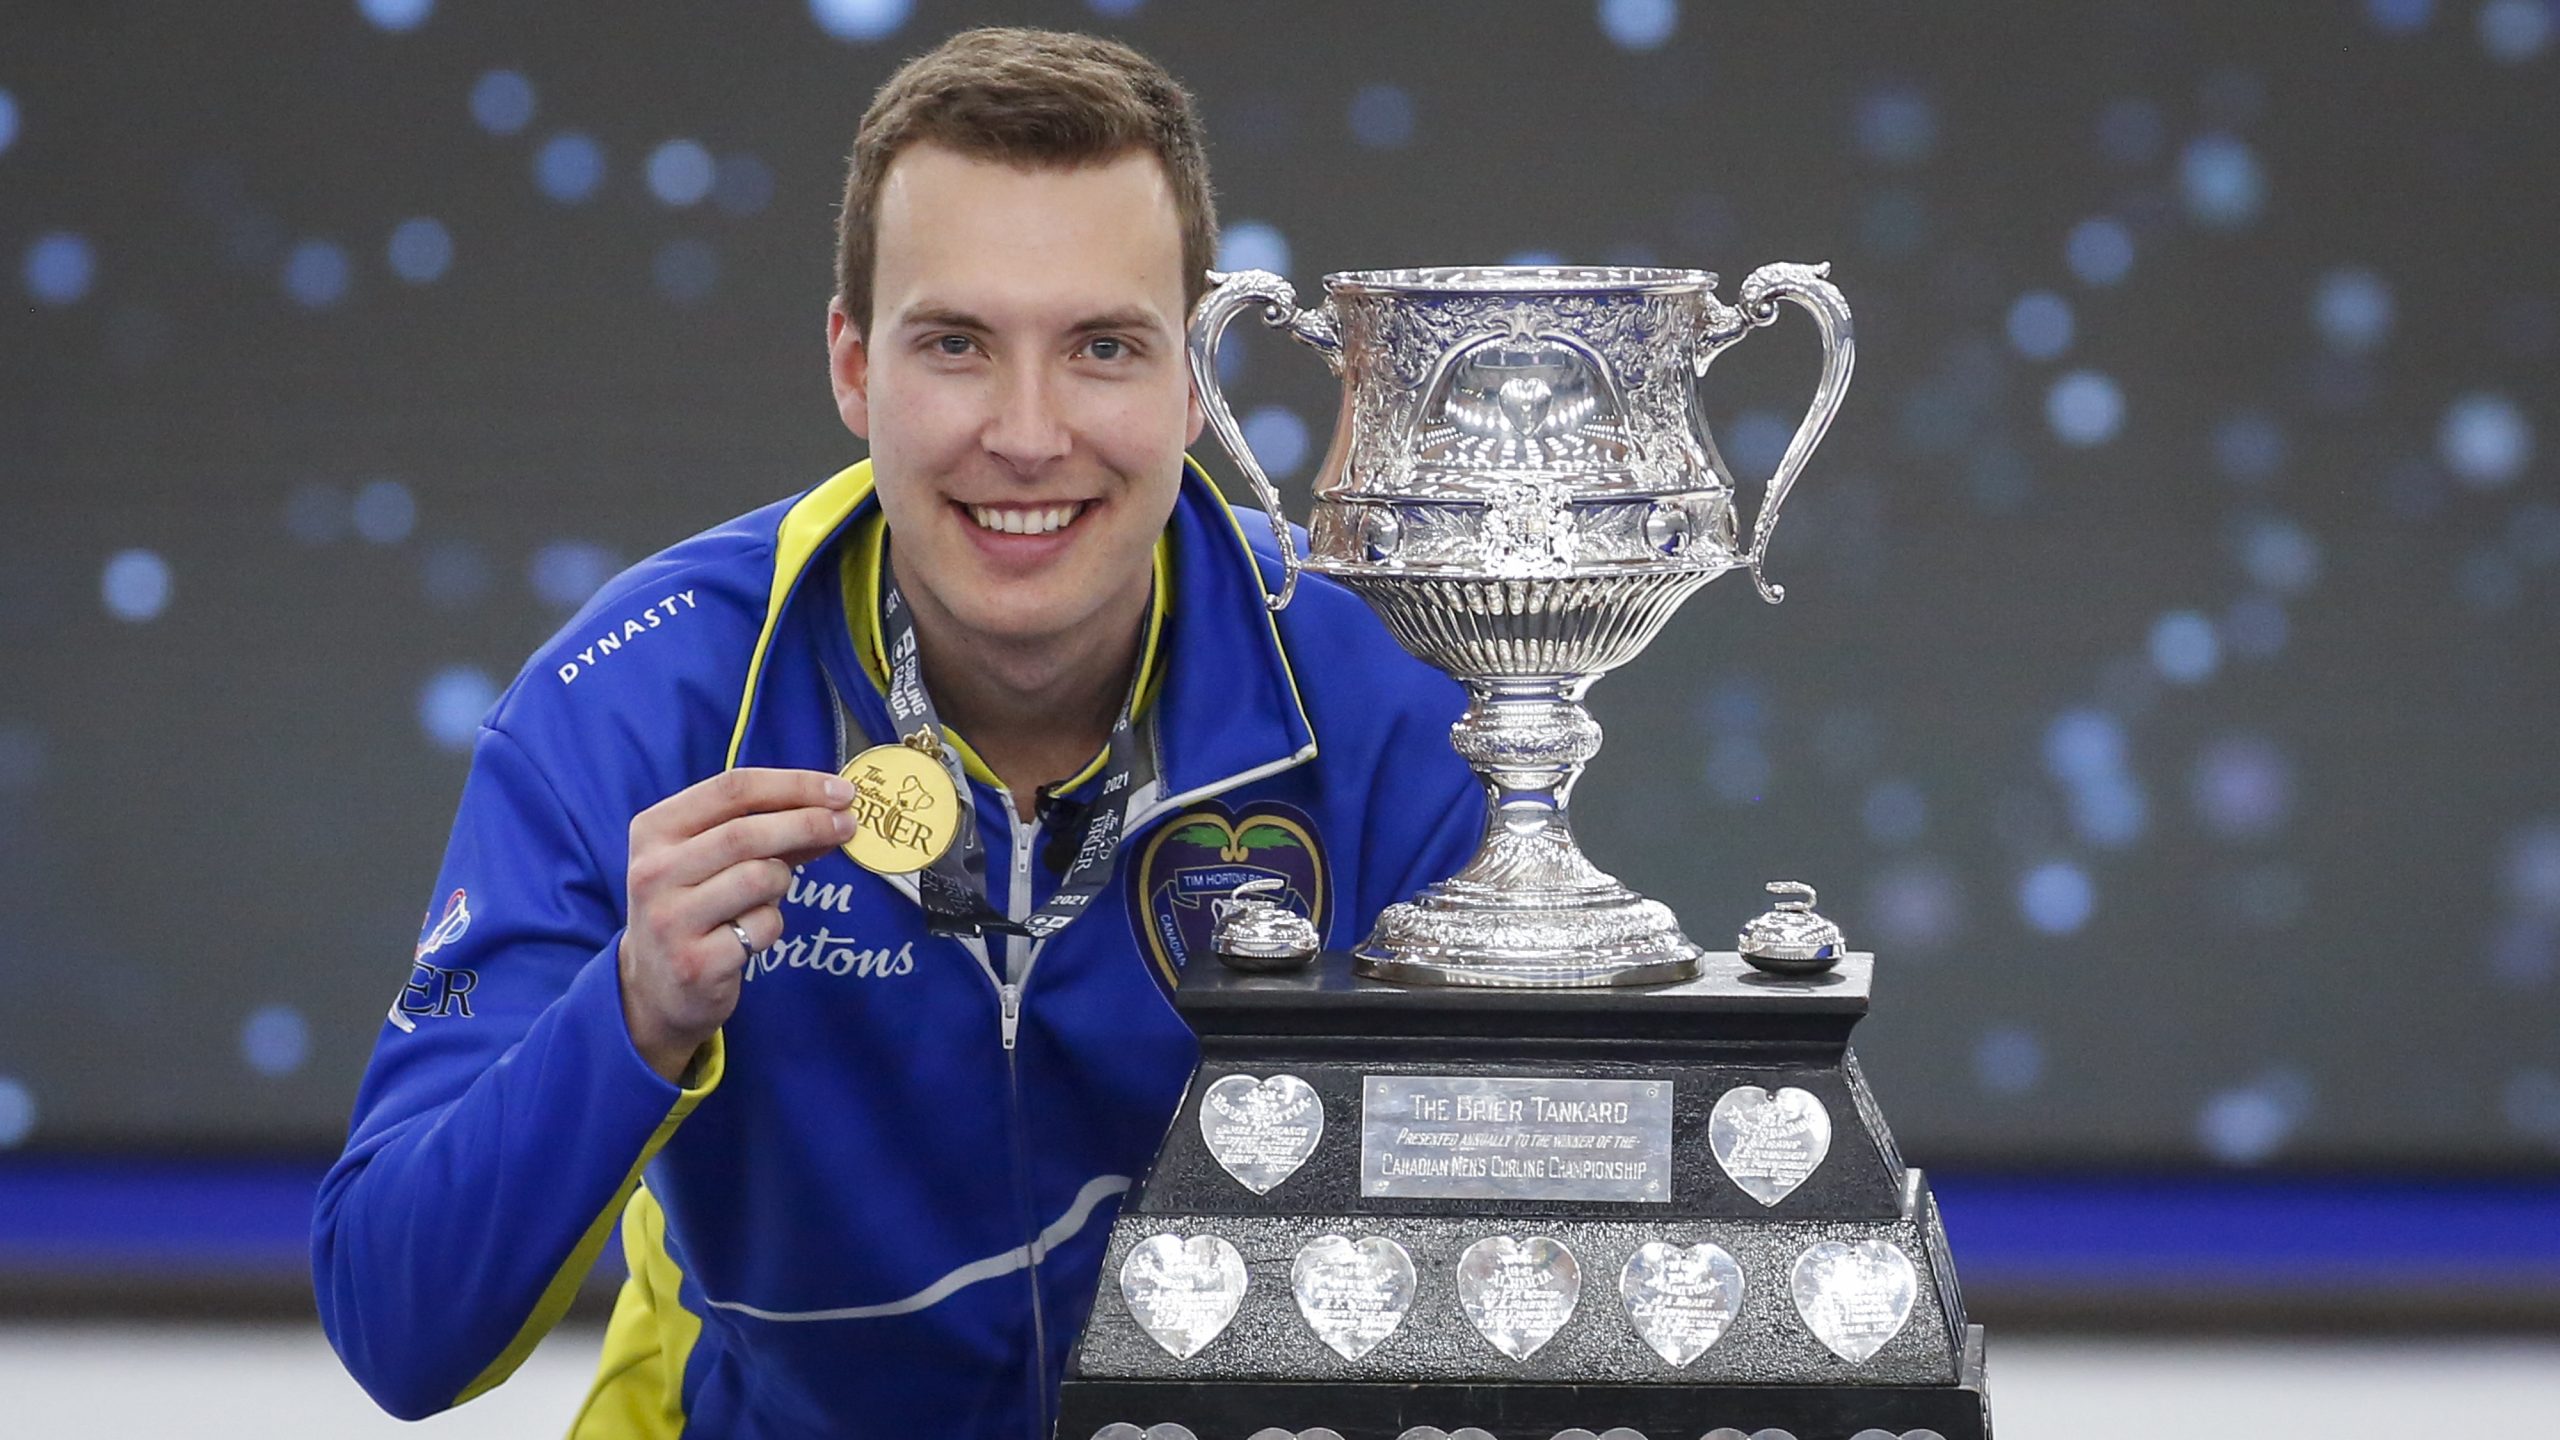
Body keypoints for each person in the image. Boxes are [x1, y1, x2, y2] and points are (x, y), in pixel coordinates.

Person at [311, 26, 1483, 1439]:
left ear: (1195, 381)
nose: (1032, 435)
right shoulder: (644, 696)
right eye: (958, 346)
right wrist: (632, 1012)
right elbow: (396, 1325)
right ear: (853, 368)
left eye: (1104, 347)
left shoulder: (1390, 690)